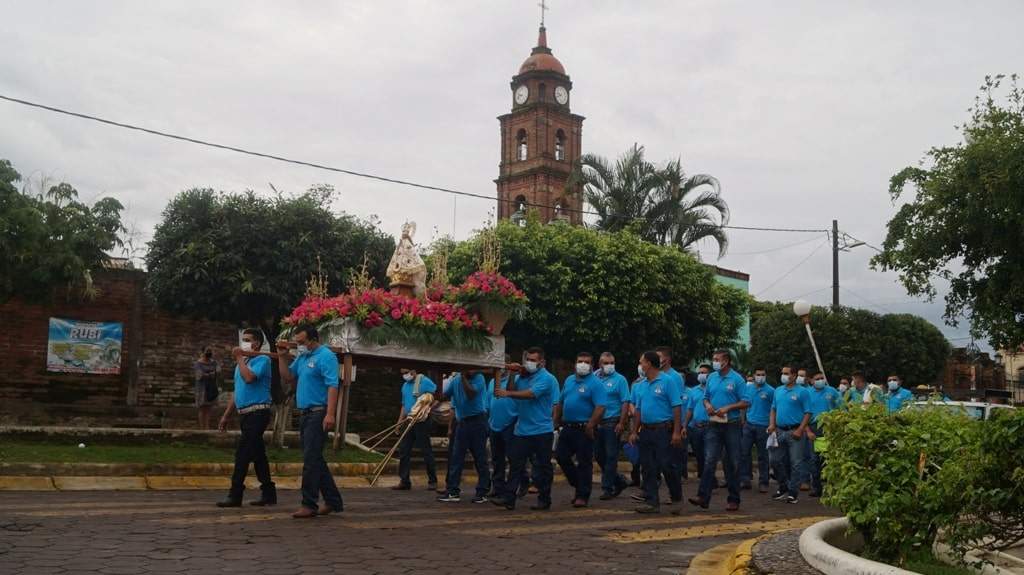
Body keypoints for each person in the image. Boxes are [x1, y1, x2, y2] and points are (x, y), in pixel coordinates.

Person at [275, 324, 343, 519]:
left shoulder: (326, 356)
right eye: (297, 342)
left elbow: (332, 386)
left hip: (318, 413)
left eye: (302, 342)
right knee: (314, 458)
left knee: (311, 460)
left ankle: (309, 503)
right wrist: (281, 357)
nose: (300, 346)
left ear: (314, 339)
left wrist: (330, 414)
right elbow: (288, 377)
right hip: (305, 413)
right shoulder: (303, 358)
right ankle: (333, 500)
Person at [492, 347, 558, 511]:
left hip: (541, 430)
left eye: (533, 360)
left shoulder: (546, 378)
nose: (529, 363)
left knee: (543, 466)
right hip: (522, 429)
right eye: (527, 359)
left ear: (542, 362)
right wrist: (515, 373)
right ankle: (509, 498)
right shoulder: (524, 376)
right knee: (515, 464)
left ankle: (544, 498)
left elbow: (530, 394)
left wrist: (507, 393)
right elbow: (515, 388)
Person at [216, 329, 276, 507]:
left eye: (247, 340)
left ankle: (235, 494)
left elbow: (249, 378)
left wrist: (239, 358)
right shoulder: (242, 363)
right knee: (258, 455)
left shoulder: (262, 360)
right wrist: (226, 415)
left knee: (243, 453)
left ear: (256, 344)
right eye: (243, 340)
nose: (243, 343)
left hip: (258, 413)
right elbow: (238, 391)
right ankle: (268, 492)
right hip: (244, 414)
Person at [690, 349, 748, 512]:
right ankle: (703, 496)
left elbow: (745, 402)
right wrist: (708, 405)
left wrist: (729, 407)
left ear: (726, 361)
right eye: (713, 358)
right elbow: (705, 397)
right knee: (709, 460)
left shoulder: (737, 379)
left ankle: (733, 498)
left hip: (732, 424)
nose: (714, 361)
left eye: (717, 359)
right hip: (714, 423)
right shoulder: (711, 378)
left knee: (733, 462)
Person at [630, 350, 684, 514]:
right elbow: (638, 410)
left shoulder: (667, 381)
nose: (640, 366)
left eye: (642, 362)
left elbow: (676, 406)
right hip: (646, 430)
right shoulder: (641, 385)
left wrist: (676, 431)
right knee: (647, 467)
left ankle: (676, 498)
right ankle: (652, 502)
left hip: (663, 430)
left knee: (667, 465)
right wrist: (634, 431)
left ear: (649, 363)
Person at [553, 352, 606, 507]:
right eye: (580, 361)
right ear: (575, 363)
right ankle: (578, 484)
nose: (583, 364)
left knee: (584, 462)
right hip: (568, 427)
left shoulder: (596, 383)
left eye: (586, 362)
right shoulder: (569, 380)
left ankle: (582, 495)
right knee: (561, 457)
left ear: (592, 365)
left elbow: (600, 406)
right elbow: (561, 401)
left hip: (585, 428)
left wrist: (591, 424)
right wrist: (556, 419)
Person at [438, 370, 490, 503]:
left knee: (480, 457)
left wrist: (462, 378)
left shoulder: (479, 378)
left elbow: (471, 393)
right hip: (462, 422)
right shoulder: (455, 380)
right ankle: (453, 491)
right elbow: (443, 395)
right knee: (456, 458)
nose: (471, 370)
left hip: (477, 421)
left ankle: (482, 491)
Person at [767, 364, 812, 504]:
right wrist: (772, 424)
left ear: (793, 375)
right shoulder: (778, 390)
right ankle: (783, 486)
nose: (784, 376)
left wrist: (801, 429)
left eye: (786, 373)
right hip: (779, 430)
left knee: (796, 463)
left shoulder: (802, 392)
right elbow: (773, 409)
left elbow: (808, 412)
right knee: (774, 460)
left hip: (795, 431)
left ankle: (793, 492)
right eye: (783, 373)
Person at [487, 358, 529, 500]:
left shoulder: (517, 380)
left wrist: (512, 372)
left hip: (511, 422)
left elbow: (513, 389)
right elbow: (489, 402)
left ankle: (522, 482)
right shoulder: (492, 382)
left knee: (513, 457)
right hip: (494, 424)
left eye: (504, 365)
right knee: (497, 458)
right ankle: (498, 487)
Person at [594, 352, 631, 500]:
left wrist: (622, 422)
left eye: (611, 363)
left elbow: (625, 402)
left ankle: (607, 488)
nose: (609, 366)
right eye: (606, 363)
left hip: (612, 422)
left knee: (611, 456)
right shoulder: (594, 378)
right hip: (597, 423)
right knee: (599, 456)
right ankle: (619, 480)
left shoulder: (620, 380)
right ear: (599, 364)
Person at [393, 368, 438, 491]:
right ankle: (404, 480)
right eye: (402, 373)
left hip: (421, 421)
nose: (404, 375)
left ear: (413, 371)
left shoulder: (424, 381)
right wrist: (399, 422)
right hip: (408, 419)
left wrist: (426, 409)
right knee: (404, 449)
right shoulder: (405, 385)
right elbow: (404, 405)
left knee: (425, 450)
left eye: (406, 372)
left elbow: (436, 396)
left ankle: (432, 480)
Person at [656, 347, 687, 491]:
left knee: (670, 462)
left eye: (658, 357)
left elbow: (677, 403)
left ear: (666, 359)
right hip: (655, 425)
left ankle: (674, 493)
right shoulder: (655, 375)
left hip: (669, 424)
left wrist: (678, 427)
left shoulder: (674, 377)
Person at [807, 372, 842, 497]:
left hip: (829, 427)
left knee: (829, 459)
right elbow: (803, 414)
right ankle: (817, 488)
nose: (820, 380)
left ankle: (831, 488)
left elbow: (841, 407)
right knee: (814, 460)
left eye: (822, 378)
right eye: (817, 379)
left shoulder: (832, 391)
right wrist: (808, 431)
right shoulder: (807, 393)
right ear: (811, 381)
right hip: (814, 428)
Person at [739, 367, 774, 493]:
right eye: (758, 374)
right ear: (754, 375)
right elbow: (743, 404)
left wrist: (772, 425)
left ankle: (763, 482)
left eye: (763, 374)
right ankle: (745, 479)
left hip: (763, 427)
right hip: (748, 425)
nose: (760, 376)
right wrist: (743, 420)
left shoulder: (771, 391)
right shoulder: (748, 388)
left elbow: (774, 409)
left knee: (763, 456)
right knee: (744, 453)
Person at [684, 364, 712, 482]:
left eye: (704, 373)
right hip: (696, 427)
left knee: (709, 455)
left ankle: (709, 479)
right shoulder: (694, 391)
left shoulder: (713, 389)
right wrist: (685, 425)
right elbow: (690, 409)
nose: (701, 375)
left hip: (710, 427)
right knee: (699, 454)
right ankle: (703, 476)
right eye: (700, 373)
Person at [194, 347, 220, 430]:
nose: (209, 353)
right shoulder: (198, 363)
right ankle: (202, 428)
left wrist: (213, 373)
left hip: (211, 388)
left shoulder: (214, 362)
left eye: (210, 351)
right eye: (207, 351)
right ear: (203, 352)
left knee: (209, 408)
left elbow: (218, 371)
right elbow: (199, 375)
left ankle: (207, 427)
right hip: (202, 389)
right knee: (202, 408)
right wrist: (209, 374)